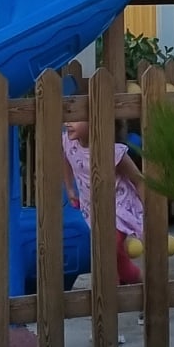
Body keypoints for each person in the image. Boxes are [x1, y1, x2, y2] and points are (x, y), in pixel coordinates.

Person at [62, 120, 145, 286]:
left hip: (119, 206)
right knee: (116, 258)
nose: (67, 123)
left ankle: (109, 292)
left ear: (94, 121)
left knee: (107, 248)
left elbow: (138, 180)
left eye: (76, 119)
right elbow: (66, 159)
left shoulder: (113, 152)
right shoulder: (68, 142)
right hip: (93, 208)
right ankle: (139, 282)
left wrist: (148, 211)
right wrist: (70, 188)